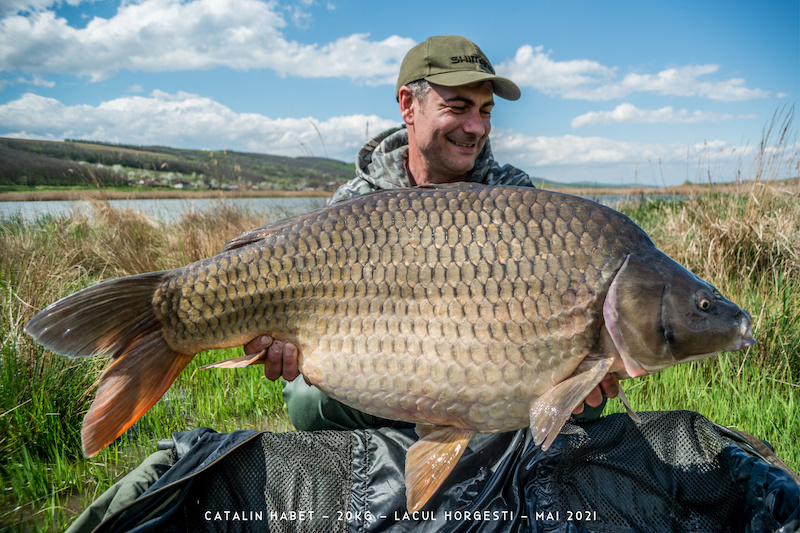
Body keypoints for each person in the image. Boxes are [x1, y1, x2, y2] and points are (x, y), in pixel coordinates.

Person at [243, 35, 619, 431]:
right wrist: (283, 342)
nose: (476, 127)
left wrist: (577, 367)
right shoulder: (354, 201)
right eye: (458, 107)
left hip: (489, 373)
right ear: (409, 105)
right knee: (308, 401)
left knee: (586, 399)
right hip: (382, 374)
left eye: (485, 110)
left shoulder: (514, 196)